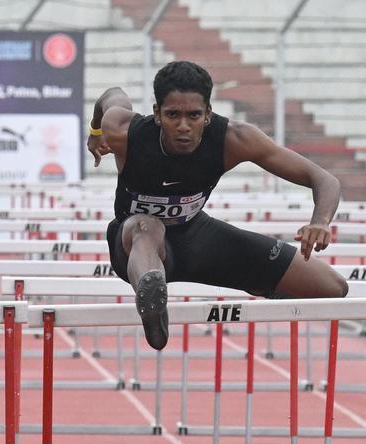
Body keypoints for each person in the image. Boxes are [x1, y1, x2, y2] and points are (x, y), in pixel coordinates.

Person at [88, 60, 348, 350]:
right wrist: (96, 132)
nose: (183, 126)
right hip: (135, 244)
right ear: (157, 114)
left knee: (332, 288)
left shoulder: (235, 138)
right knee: (147, 226)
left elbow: (324, 179)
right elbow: (110, 95)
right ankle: (151, 299)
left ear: (208, 115)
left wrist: (321, 221)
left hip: (196, 236)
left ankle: (260, 283)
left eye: (194, 115)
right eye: (173, 115)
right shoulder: (125, 131)